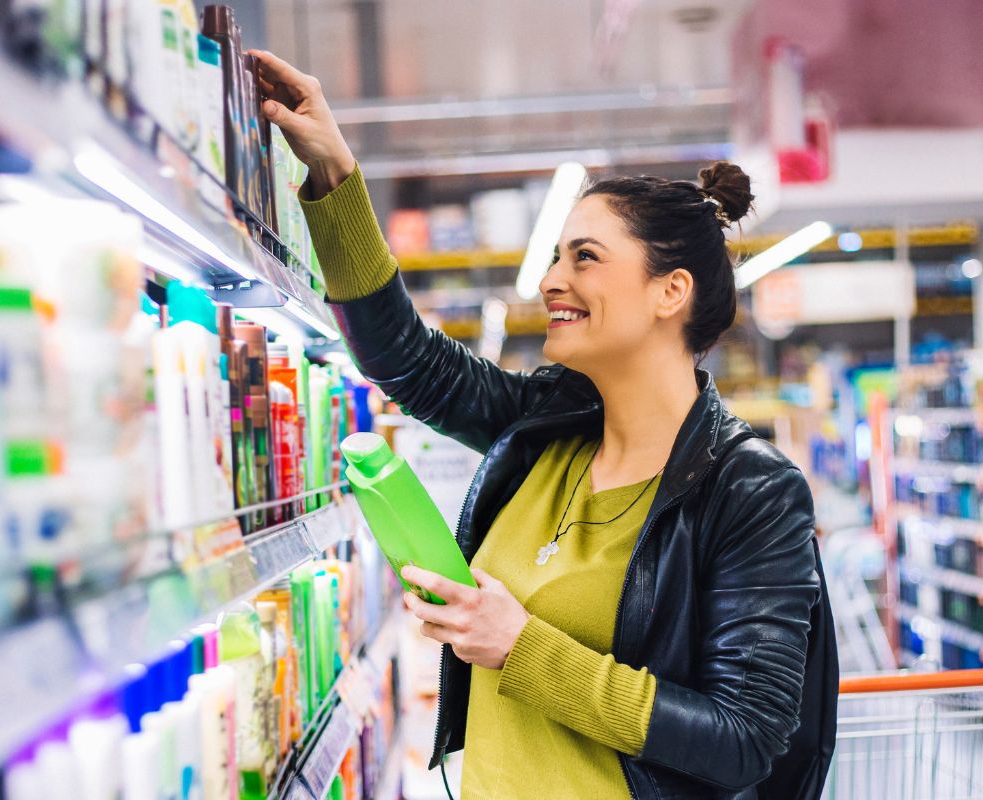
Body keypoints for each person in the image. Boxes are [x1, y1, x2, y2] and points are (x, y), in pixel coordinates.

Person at [251, 48, 838, 800]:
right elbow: (408, 361)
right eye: (556, 256)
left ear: (671, 291)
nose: (551, 281)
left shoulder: (749, 490)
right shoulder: (549, 426)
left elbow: (745, 738)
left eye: (584, 258)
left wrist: (521, 647)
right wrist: (334, 174)